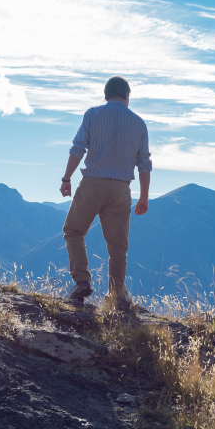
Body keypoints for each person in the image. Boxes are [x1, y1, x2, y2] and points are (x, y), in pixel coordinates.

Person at [59, 75, 151, 309]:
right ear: (127, 96)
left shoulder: (93, 114)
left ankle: (81, 282)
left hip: (92, 184)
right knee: (118, 248)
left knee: (73, 231)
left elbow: (78, 148)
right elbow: (144, 163)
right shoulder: (139, 123)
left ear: (106, 94)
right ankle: (117, 296)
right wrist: (143, 196)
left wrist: (67, 178)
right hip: (122, 189)